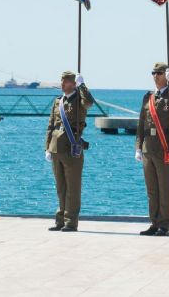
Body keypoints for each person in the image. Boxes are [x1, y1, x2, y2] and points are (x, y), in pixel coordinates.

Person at [135, 62, 169, 237]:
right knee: (152, 190)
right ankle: (154, 223)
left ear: (165, 75)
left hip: (165, 148)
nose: (155, 76)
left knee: (165, 189)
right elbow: (141, 123)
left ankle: (164, 225)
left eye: (159, 73)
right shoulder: (148, 97)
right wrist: (138, 147)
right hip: (148, 149)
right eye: (153, 73)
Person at [44, 71, 94, 232]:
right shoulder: (58, 101)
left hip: (71, 148)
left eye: (65, 82)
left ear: (73, 84)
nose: (62, 84)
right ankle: (60, 220)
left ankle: (71, 222)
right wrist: (47, 148)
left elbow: (89, 103)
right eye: (61, 81)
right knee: (61, 187)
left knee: (73, 188)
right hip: (56, 148)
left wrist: (82, 85)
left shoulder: (80, 100)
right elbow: (51, 126)